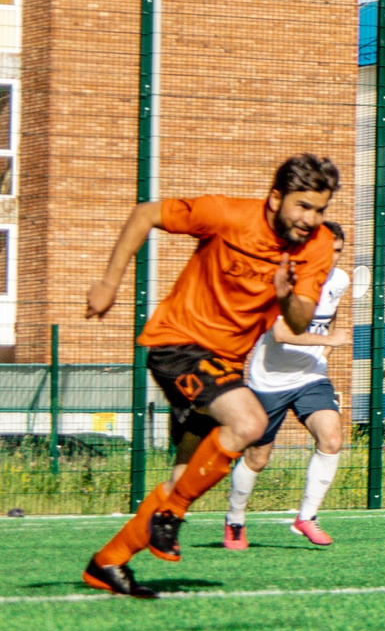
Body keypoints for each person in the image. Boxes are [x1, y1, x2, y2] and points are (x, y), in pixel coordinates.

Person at [77, 155, 343, 598]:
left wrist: (286, 294)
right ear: (276, 197)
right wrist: (109, 282)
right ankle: (172, 515)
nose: (310, 219)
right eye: (302, 207)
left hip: (224, 364)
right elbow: (146, 213)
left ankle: (108, 561)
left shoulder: (314, 246)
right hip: (177, 345)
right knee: (249, 424)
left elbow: (298, 323)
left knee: (183, 476)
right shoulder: (226, 215)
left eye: (319, 210)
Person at [223, 230, 354, 548]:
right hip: (268, 381)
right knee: (257, 458)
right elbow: (281, 333)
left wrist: (323, 355)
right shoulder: (287, 281)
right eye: (327, 249)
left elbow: (330, 318)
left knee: (332, 439)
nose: (332, 256)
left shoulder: (339, 280)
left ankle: (306, 517)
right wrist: (329, 341)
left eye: (337, 250)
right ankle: (235, 520)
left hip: (310, 377)